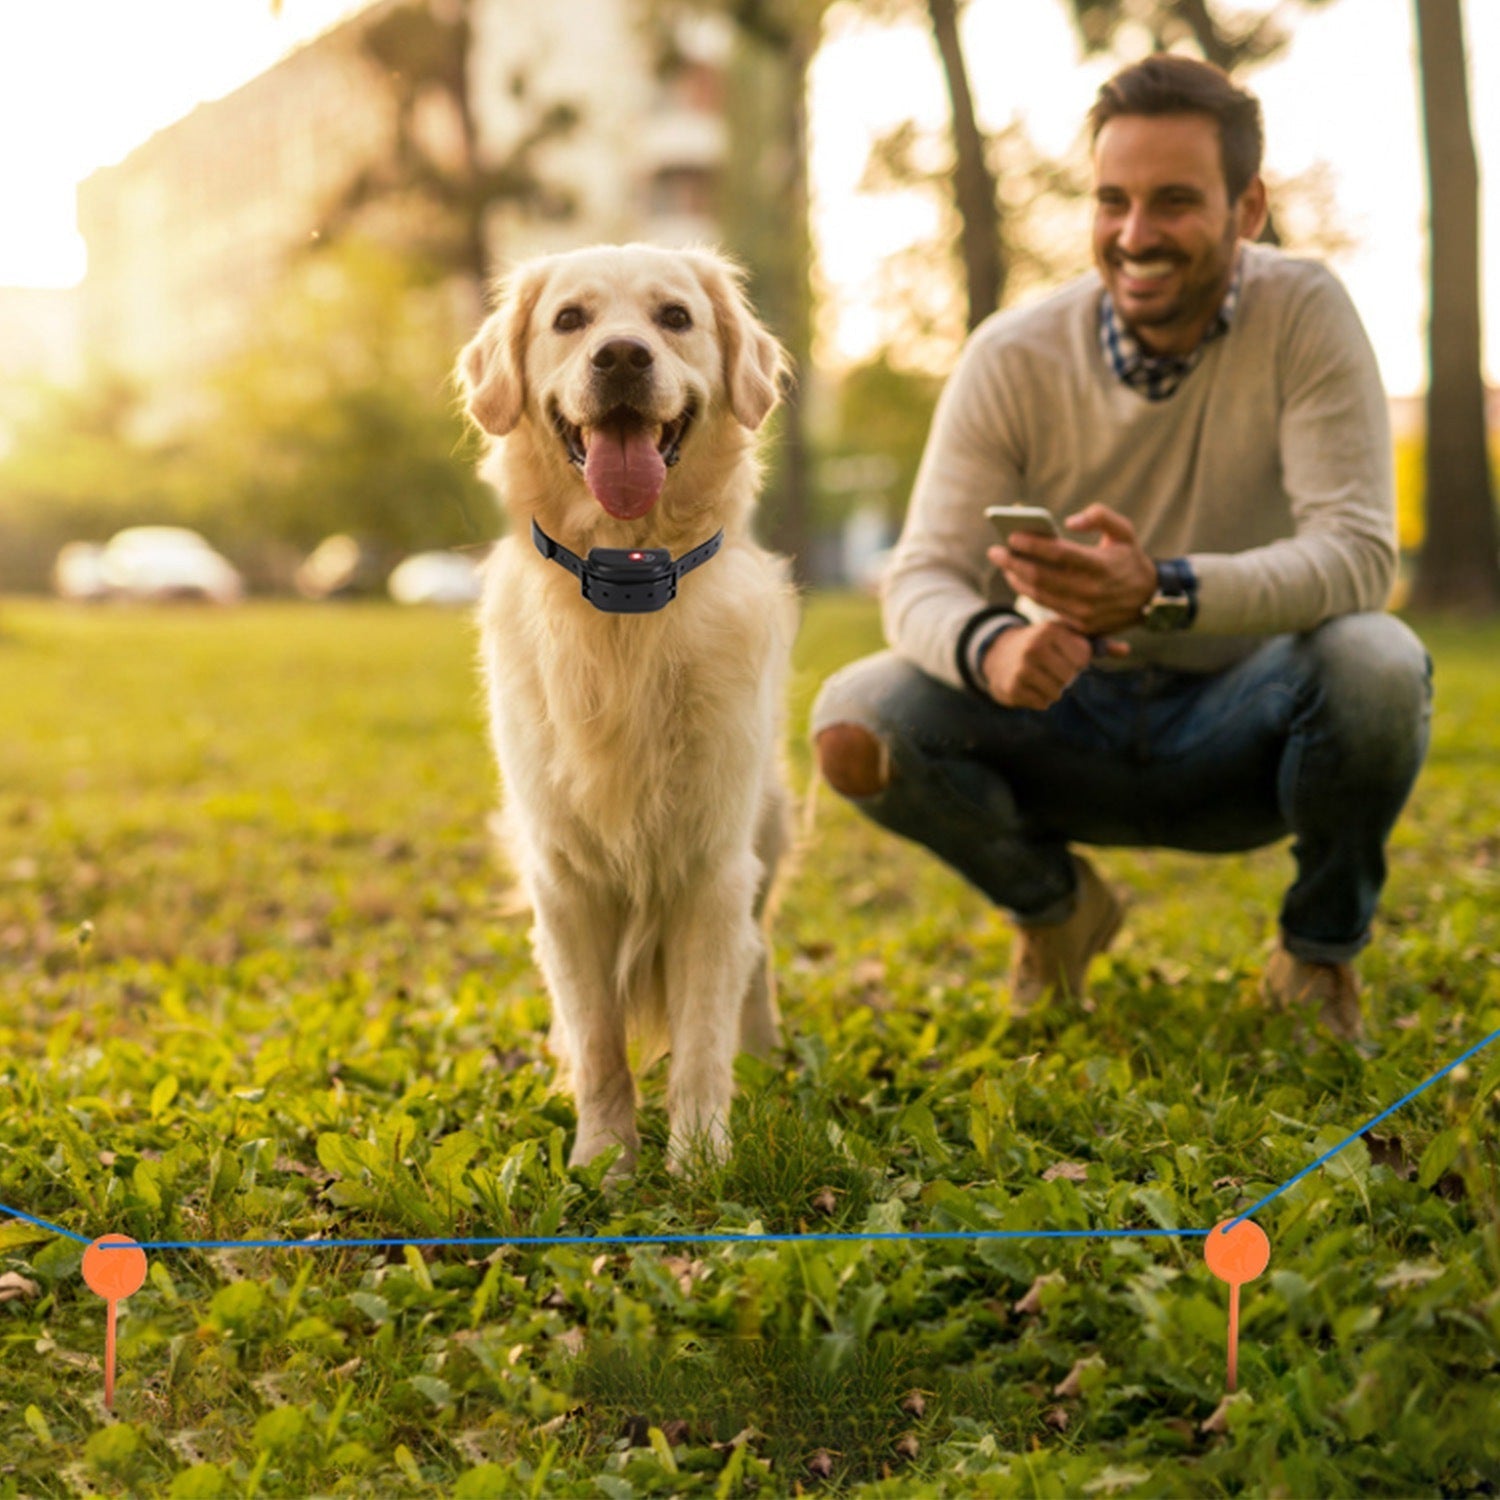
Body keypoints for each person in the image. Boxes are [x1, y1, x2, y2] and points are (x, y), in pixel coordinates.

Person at [810, 53, 1431, 1040]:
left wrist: (1163, 589)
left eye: (1175, 201)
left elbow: (1359, 554)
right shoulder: (1012, 356)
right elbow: (921, 574)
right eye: (1112, 201)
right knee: (857, 718)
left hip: (1246, 725)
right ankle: (1056, 914)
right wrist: (996, 648)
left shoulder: (1304, 313)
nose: (1134, 236)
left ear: (1248, 207)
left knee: (1379, 664)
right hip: (1066, 721)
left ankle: (1317, 956)